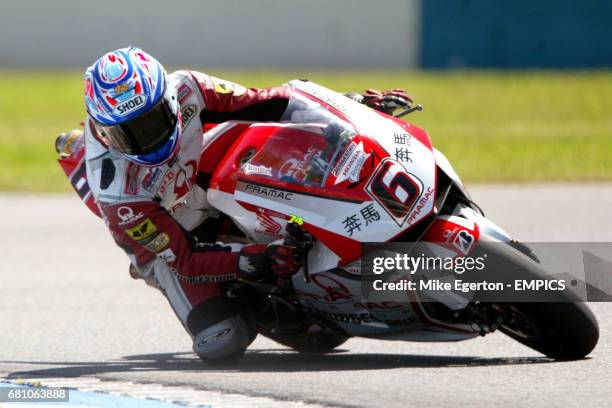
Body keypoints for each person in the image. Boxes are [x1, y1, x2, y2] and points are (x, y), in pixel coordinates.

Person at [68, 46, 412, 363]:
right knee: (221, 340)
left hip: (201, 166)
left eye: (151, 121)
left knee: (281, 134)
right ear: (101, 128)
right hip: (172, 244)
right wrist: (254, 260)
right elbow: (186, 258)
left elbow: (273, 101)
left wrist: (349, 108)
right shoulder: (118, 192)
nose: (145, 141)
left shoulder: (189, 87)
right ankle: (250, 291)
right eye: (125, 133)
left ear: (169, 100)